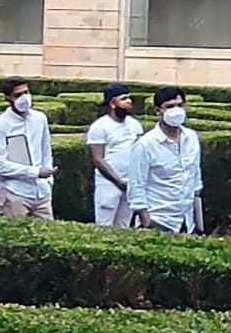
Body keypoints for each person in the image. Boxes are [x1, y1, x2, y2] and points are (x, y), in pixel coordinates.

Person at [130, 86, 202, 234]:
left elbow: (195, 178)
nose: (176, 111)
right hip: (159, 219)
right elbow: (137, 185)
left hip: (186, 221)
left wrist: (198, 221)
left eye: (180, 106)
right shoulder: (145, 144)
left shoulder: (192, 137)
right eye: (170, 107)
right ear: (158, 111)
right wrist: (146, 221)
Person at [0, 75, 55, 219]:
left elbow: (45, 150)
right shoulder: (0, 125)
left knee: (46, 236)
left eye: (26, 92)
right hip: (14, 193)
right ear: (8, 98)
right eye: (18, 95)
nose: (24, 98)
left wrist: (48, 180)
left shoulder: (40, 118)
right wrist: (34, 172)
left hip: (42, 192)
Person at [85, 81, 141, 228]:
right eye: (123, 99)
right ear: (112, 103)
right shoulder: (99, 127)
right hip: (108, 184)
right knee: (105, 226)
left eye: (129, 98)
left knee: (124, 225)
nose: (129, 102)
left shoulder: (135, 124)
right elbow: (98, 159)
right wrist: (118, 181)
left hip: (130, 184)